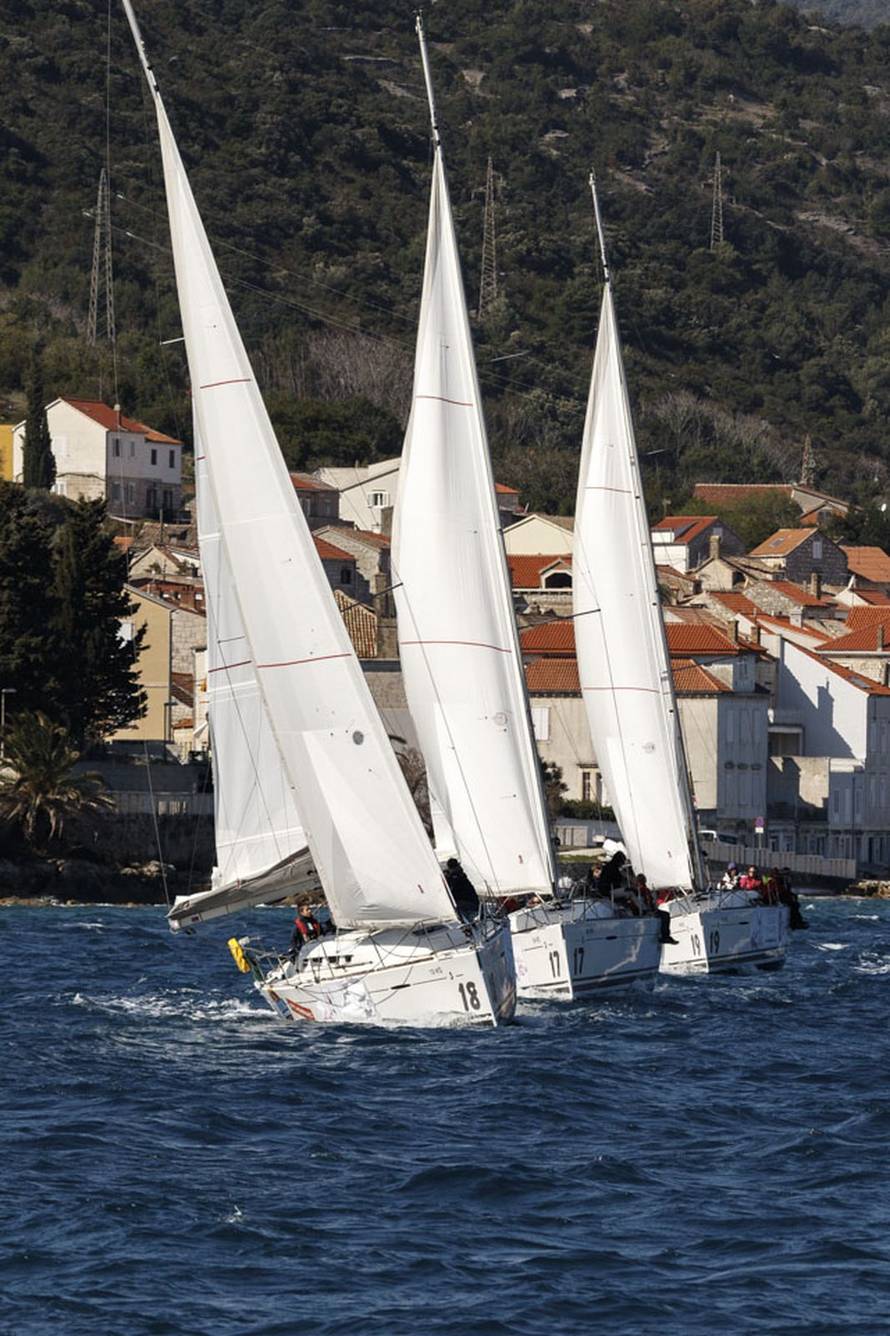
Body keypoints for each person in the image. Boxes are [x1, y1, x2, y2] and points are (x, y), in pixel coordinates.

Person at [635, 873, 678, 945]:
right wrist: (650, 910)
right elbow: (646, 901)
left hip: (650, 909)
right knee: (665, 915)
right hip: (648, 911)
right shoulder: (642, 890)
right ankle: (665, 936)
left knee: (665, 914)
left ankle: (665, 935)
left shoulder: (643, 889)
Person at [445, 858, 480, 922]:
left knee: (454, 905)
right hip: (473, 903)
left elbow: (452, 893)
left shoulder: (455, 877)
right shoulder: (461, 874)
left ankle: (464, 923)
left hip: (469, 905)